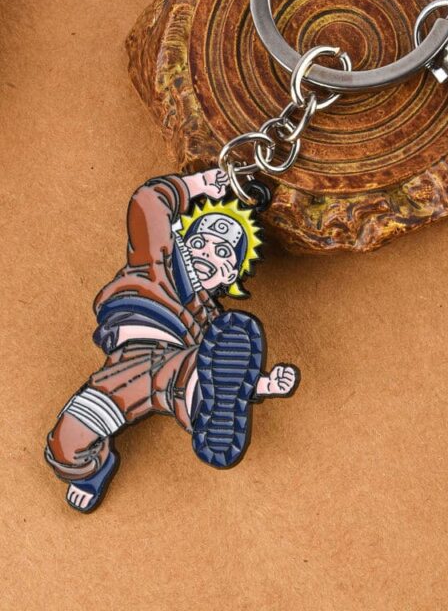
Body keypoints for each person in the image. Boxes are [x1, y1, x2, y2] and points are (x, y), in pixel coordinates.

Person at [45, 169, 299, 513]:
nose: (207, 252)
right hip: (124, 368)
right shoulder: (156, 262)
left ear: (231, 274)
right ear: (181, 241)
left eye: (222, 251)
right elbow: (148, 202)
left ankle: (206, 409)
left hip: (179, 367)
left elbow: (230, 372)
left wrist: (265, 384)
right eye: (199, 242)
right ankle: (93, 470)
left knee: (207, 366)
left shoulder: (217, 326)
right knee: (65, 447)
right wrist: (199, 184)